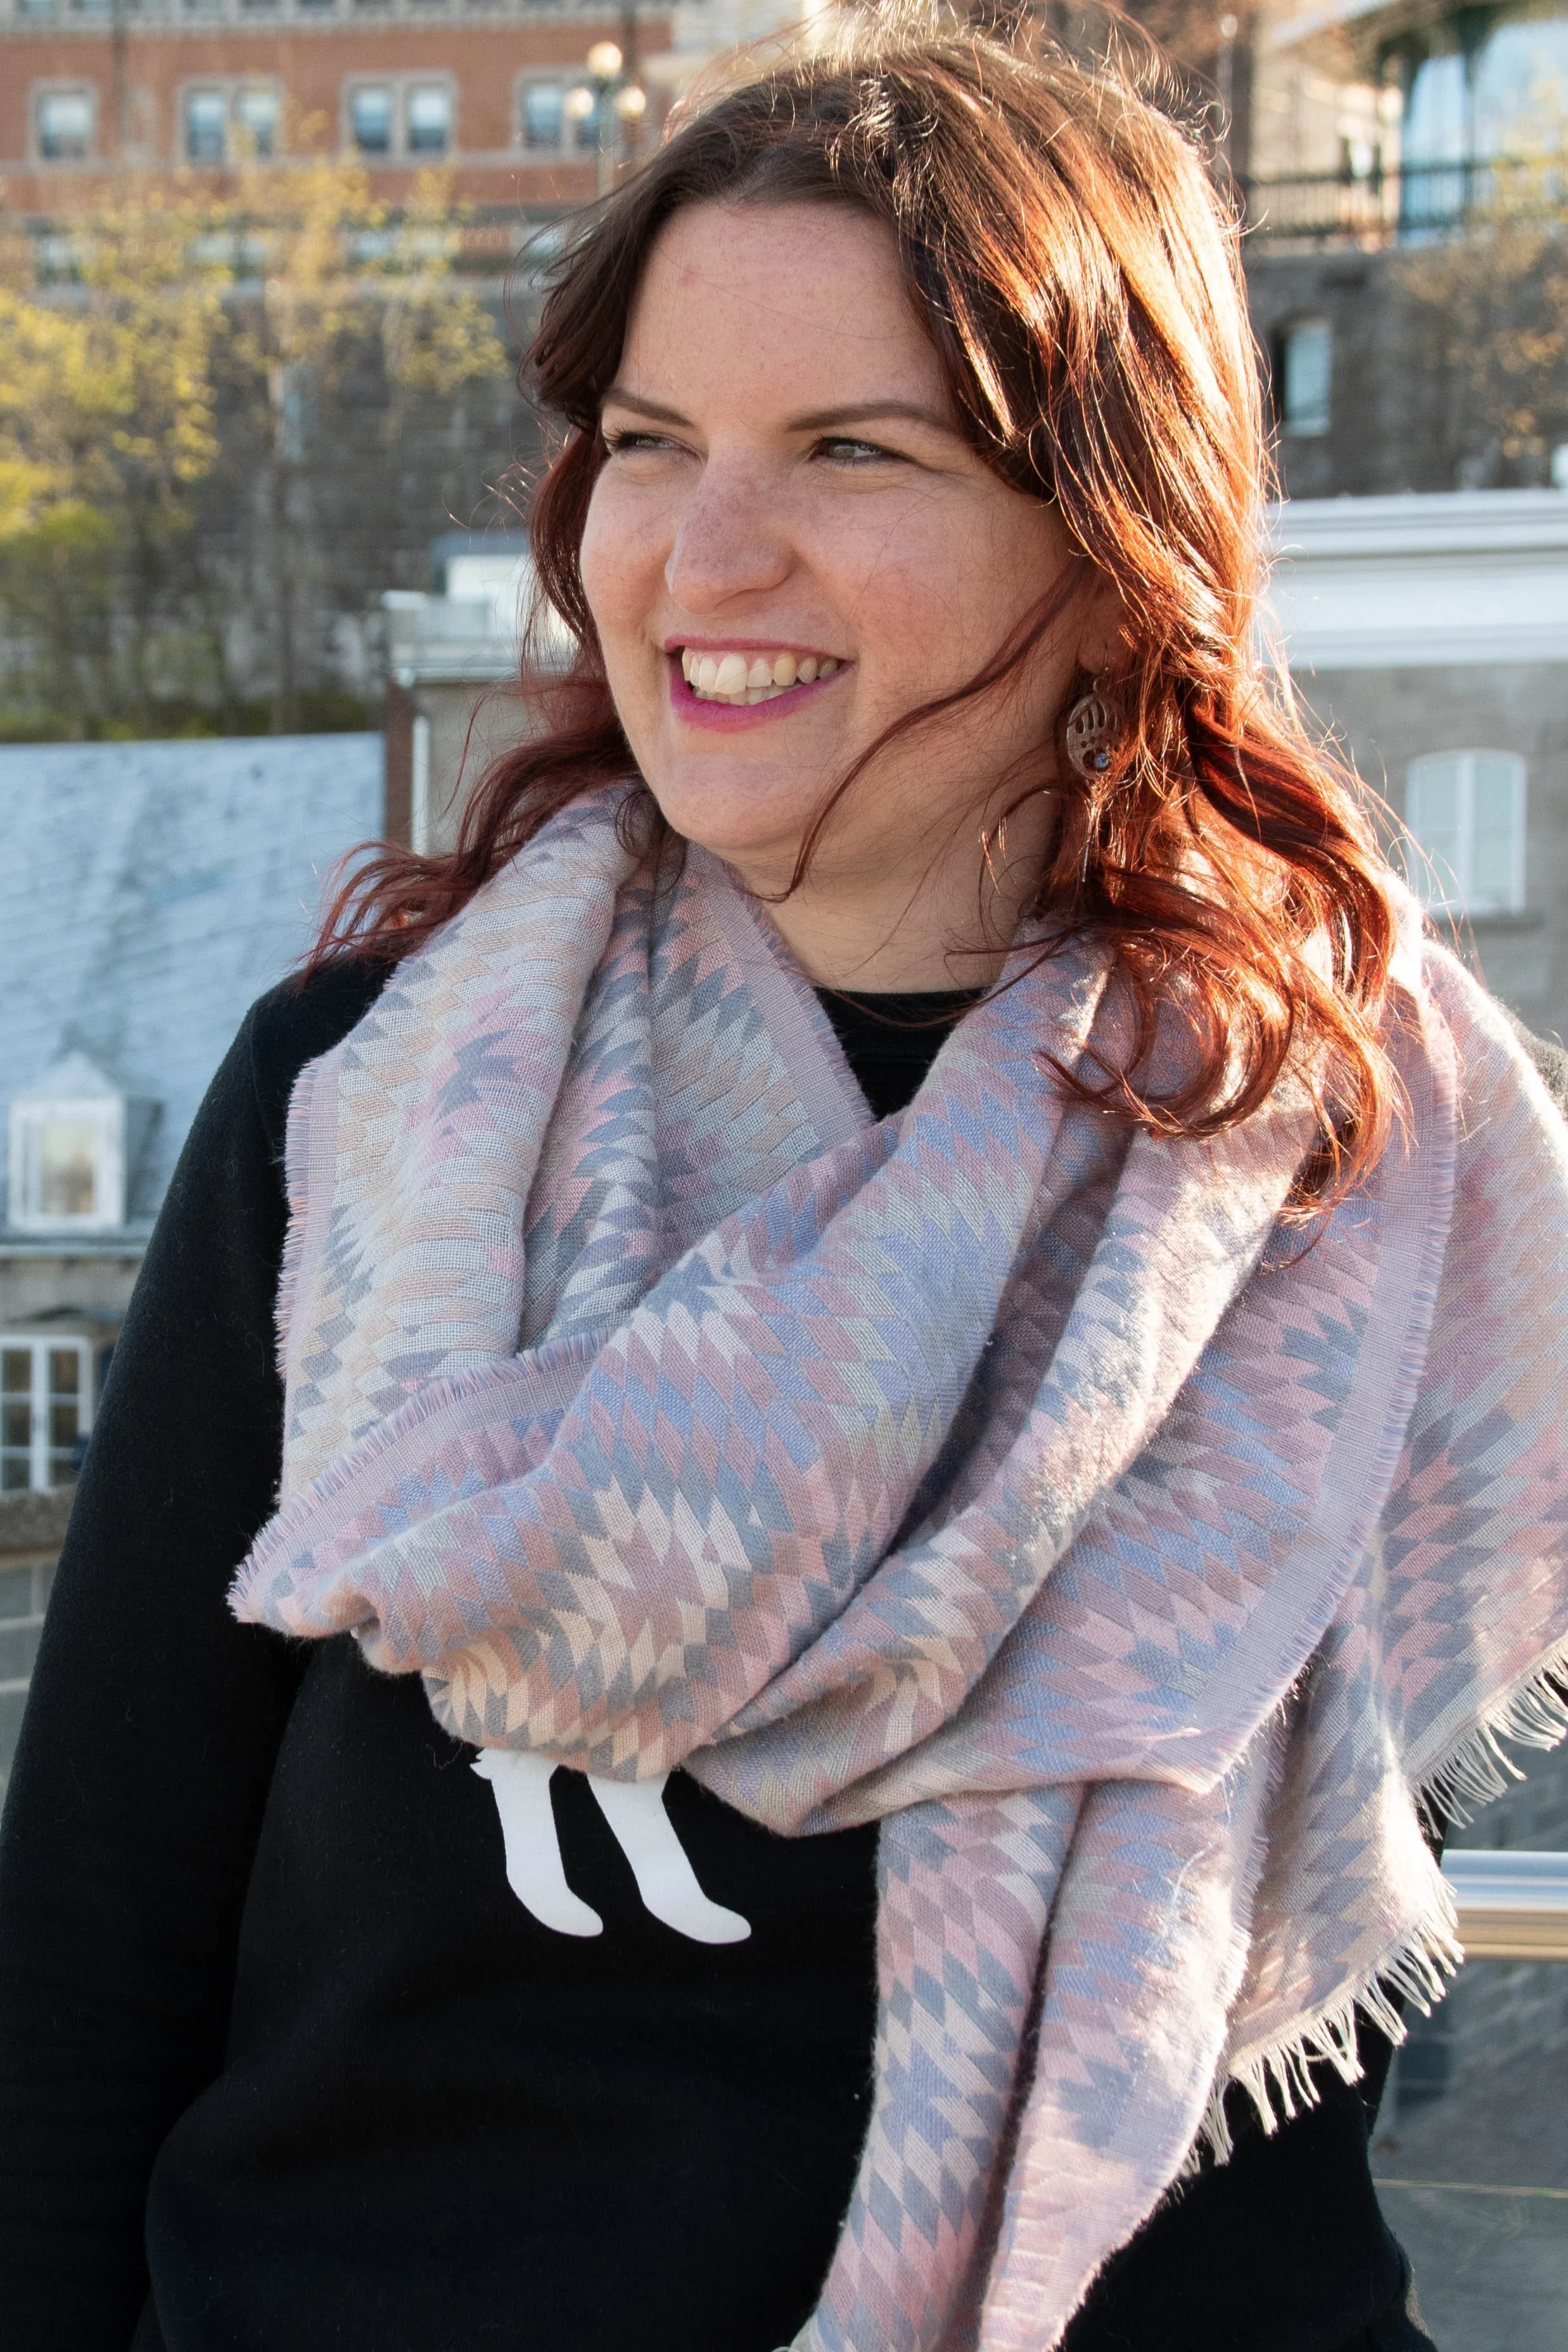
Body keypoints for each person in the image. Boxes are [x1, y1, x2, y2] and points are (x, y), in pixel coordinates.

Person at [3, 22, 1567, 2352]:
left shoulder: (1357, 1161)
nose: (700, 556)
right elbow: (92, 1950)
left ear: (1119, 538)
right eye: (650, 445)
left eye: (854, 448)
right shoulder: (370, 1105)